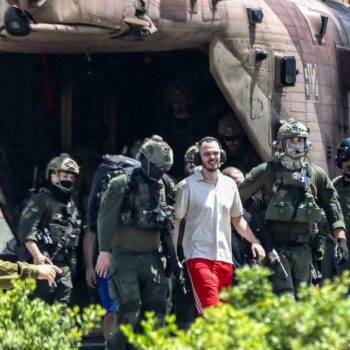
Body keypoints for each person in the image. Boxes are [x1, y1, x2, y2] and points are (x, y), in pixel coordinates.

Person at [239, 118, 348, 297]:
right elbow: (236, 200)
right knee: (285, 303)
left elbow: (333, 207)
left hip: (304, 251)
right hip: (275, 249)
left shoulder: (316, 175)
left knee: (304, 306)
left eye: (300, 140)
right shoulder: (267, 171)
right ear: (281, 144)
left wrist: (341, 240)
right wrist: (254, 239)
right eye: (290, 140)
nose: (295, 145)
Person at [95, 135, 176, 350]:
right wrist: (104, 252)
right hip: (124, 256)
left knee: (157, 310)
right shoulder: (122, 183)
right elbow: (105, 217)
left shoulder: (165, 185)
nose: (161, 171)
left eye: (165, 167)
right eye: (158, 166)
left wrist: (171, 256)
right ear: (146, 161)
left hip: (152, 257)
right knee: (130, 309)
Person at [172, 137, 265, 314]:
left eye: (215, 153)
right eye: (206, 154)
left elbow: (238, 220)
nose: (212, 157)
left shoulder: (229, 185)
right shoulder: (187, 186)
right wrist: (174, 255)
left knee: (220, 317)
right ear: (199, 159)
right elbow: (176, 221)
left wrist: (255, 242)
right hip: (198, 257)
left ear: (221, 156)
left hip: (224, 258)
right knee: (211, 311)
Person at [17, 153, 82, 306]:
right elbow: (26, 231)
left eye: (72, 177)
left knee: (61, 315)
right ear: (53, 175)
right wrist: (37, 255)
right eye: (65, 175)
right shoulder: (41, 199)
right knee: (37, 311)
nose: (69, 180)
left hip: (64, 268)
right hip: (42, 264)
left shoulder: (71, 206)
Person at [157, 79, 199, 179]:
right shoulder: (164, 126)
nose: (179, 105)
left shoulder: (199, 125)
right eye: (175, 102)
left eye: (182, 101)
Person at [322, 137, 350, 279]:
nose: (349, 163)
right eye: (346, 158)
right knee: (328, 286)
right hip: (332, 243)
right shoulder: (334, 185)